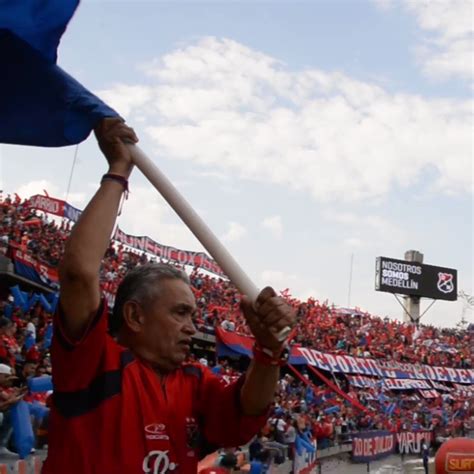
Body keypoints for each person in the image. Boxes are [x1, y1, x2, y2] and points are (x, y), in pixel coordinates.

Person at [43, 118, 296, 474]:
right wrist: (118, 171)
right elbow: (79, 273)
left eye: (192, 315)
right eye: (180, 313)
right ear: (134, 316)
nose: (191, 328)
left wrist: (269, 351)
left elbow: (246, 411)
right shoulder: (95, 364)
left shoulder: (195, 381)